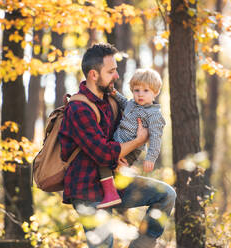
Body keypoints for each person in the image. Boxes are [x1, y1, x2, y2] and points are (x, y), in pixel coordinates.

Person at [58, 43, 176, 248]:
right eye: (111, 71)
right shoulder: (78, 108)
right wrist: (138, 141)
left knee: (166, 195)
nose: (116, 76)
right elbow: (104, 154)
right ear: (94, 75)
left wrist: (132, 153)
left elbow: (128, 136)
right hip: (88, 190)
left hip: (114, 181)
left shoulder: (110, 101)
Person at [96, 68, 166, 209]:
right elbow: (124, 102)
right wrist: (114, 93)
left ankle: (111, 194)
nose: (140, 94)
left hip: (131, 149)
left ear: (155, 92)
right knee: (105, 161)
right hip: (117, 142)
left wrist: (151, 158)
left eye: (146, 91)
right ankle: (111, 191)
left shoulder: (154, 114)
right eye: (136, 90)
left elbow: (156, 138)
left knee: (106, 162)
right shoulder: (132, 104)